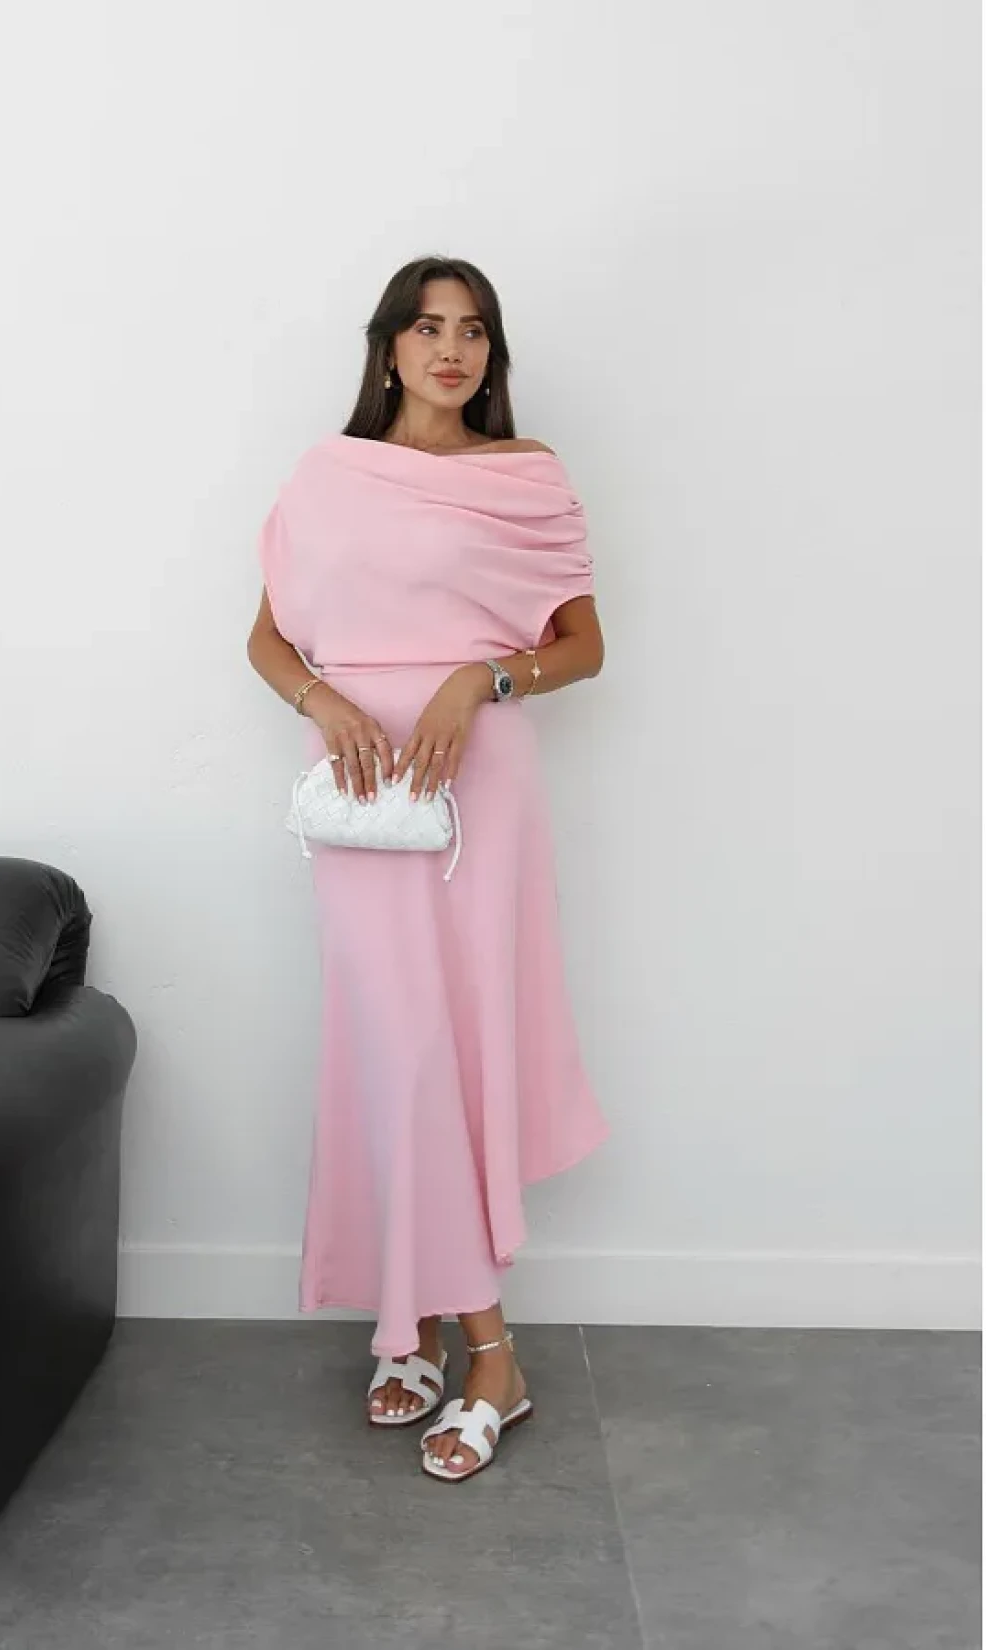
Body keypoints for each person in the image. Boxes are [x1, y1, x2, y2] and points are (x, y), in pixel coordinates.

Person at [246, 255, 609, 1483]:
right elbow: (266, 634)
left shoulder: (526, 475)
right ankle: (426, 1322)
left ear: (489, 353)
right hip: (356, 787)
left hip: (478, 788)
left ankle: (479, 1352)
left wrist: (481, 677)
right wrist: (323, 700)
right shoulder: (327, 474)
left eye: (472, 331)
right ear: (388, 347)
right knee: (392, 1051)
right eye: (425, 327)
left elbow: (582, 645)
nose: (450, 350)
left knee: (453, 1051)